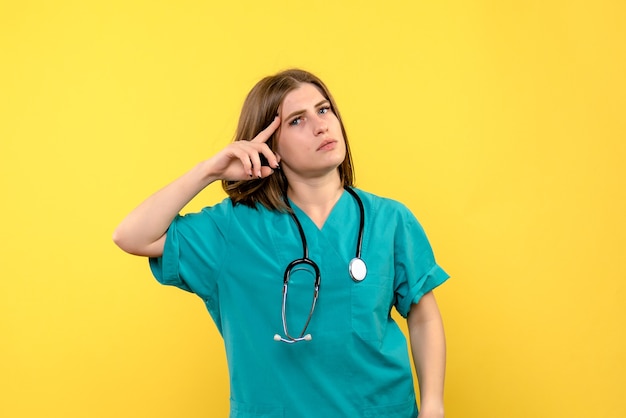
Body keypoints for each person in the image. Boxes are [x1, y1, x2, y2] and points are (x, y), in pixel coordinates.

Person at [113, 68, 449, 418]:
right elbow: (131, 236)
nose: (321, 126)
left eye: (323, 110)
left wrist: (433, 406)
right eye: (296, 121)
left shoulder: (389, 220)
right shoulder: (232, 229)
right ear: (268, 144)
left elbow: (423, 316)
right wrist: (208, 171)